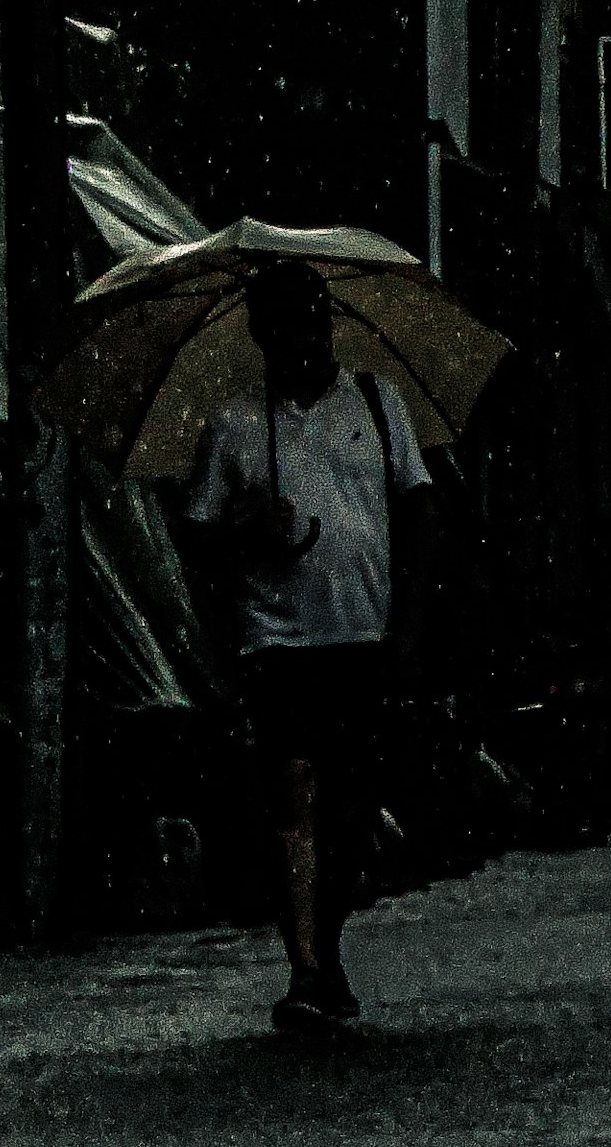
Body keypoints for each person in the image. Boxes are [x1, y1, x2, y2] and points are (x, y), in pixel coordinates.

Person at [181, 261, 428, 1041]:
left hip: (361, 633)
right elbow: (197, 538)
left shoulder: (379, 404)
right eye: (287, 324)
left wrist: (411, 626)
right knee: (293, 791)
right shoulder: (234, 427)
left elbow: (417, 510)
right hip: (278, 640)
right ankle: (307, 967)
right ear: (262, 333)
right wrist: (245, 530)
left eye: (315, 321)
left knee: (349, 805)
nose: (306, 339)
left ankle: (329, 946)